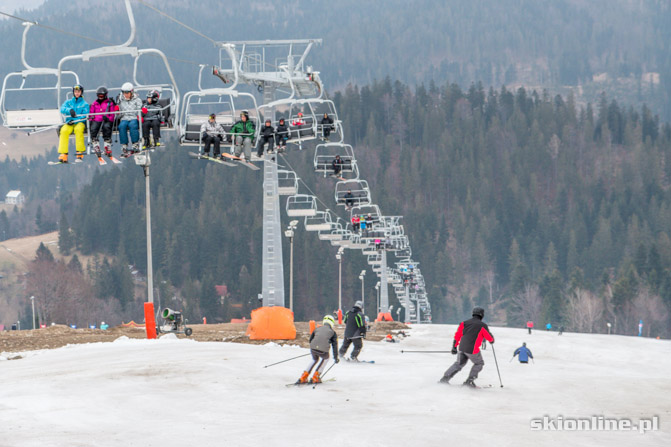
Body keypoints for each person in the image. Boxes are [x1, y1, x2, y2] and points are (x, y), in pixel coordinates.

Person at [439, 306, 494, 387]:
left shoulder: (464, 323)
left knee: (458, 364)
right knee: (479, 363)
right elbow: (490, 338)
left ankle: (444, 379)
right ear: (482, 315)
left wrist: (454, 347)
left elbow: (458, 335)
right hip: (472, 349)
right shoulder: (482, 325)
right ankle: (469, 381)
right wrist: (492, 340)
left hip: (462, 348)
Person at [297, 315, 339, 384]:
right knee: (326, 359)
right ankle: (316, 376)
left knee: (314, 359)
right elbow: (335, 346)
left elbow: (311, 340)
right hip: (323, 351)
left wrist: (315, 348)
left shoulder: (317, 329)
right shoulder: (333, 333)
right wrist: (336, 357)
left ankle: (303, 377)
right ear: (332, 323)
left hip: (313, 348)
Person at [57, 84, 89, 163]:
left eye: (78, 91)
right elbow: (62, 109)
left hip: (79, 122)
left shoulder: (84, 104)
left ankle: (79, 152)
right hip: (69, 122)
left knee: (78, 130)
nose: (77, 93)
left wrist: (75, 120)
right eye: (75, 91)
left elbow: (85, 115)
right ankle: (64, 153)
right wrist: (69, 110)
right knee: (64, 131)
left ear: (81, 92)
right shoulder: (69, 102)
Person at [88, 86, 115, 159]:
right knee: (94, 127)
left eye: (102, 96)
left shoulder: (109, 103)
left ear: (105, 95)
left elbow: (112, 115)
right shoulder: (95, 104)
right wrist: (90, 121)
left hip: (106, 119)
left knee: (106, 127)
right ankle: (95, 144)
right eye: (98, 96)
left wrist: (108, 118)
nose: (100, 97)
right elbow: (91, 114)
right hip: (96, 120)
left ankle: (107, 144)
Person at [117, 82, 143, 157]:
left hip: (133, 117)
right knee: (121, 126)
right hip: (124, 117)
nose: (125, 94)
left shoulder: (137, 100)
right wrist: (118, 112)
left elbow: (139, 109)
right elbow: (120, 110)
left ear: (131, 92)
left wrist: (139, 116)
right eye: (124, 92)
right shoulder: (120, 100)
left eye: (127, 92)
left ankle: (135, 144)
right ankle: (124, 145)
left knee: (133, 126)